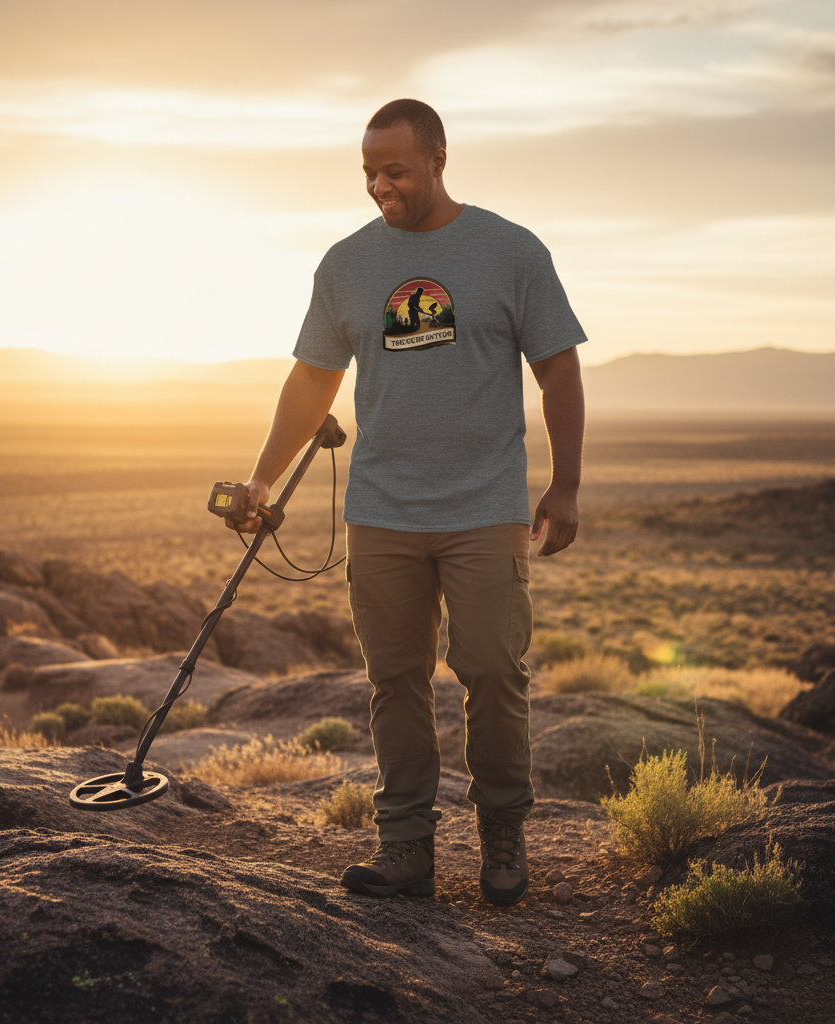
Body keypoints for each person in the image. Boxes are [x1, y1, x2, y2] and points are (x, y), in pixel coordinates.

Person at [230, 98, 586, 906]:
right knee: (394, 681)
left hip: (485, 507)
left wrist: (564, 484)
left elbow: (558, 368)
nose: (378, 185)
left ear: (437, 161)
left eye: (394, 170)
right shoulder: (346, 264)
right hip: (382, 510)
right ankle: (405, 848)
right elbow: (312, 381)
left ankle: (502, 834)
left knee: (493, 670)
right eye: (368, 172)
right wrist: (261, 478)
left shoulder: (510, 250)